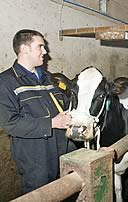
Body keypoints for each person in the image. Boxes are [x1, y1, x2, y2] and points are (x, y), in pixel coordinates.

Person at [0, 29, 76, 193]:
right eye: (40, 47)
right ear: (25, 49)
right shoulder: (6, 82)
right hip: (35, 157)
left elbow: (64, 104)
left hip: (64, 150)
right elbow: (10, 123)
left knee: (65, 191)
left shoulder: (49, 77)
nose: (45, 51)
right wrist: (51, 123)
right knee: (40, 194)